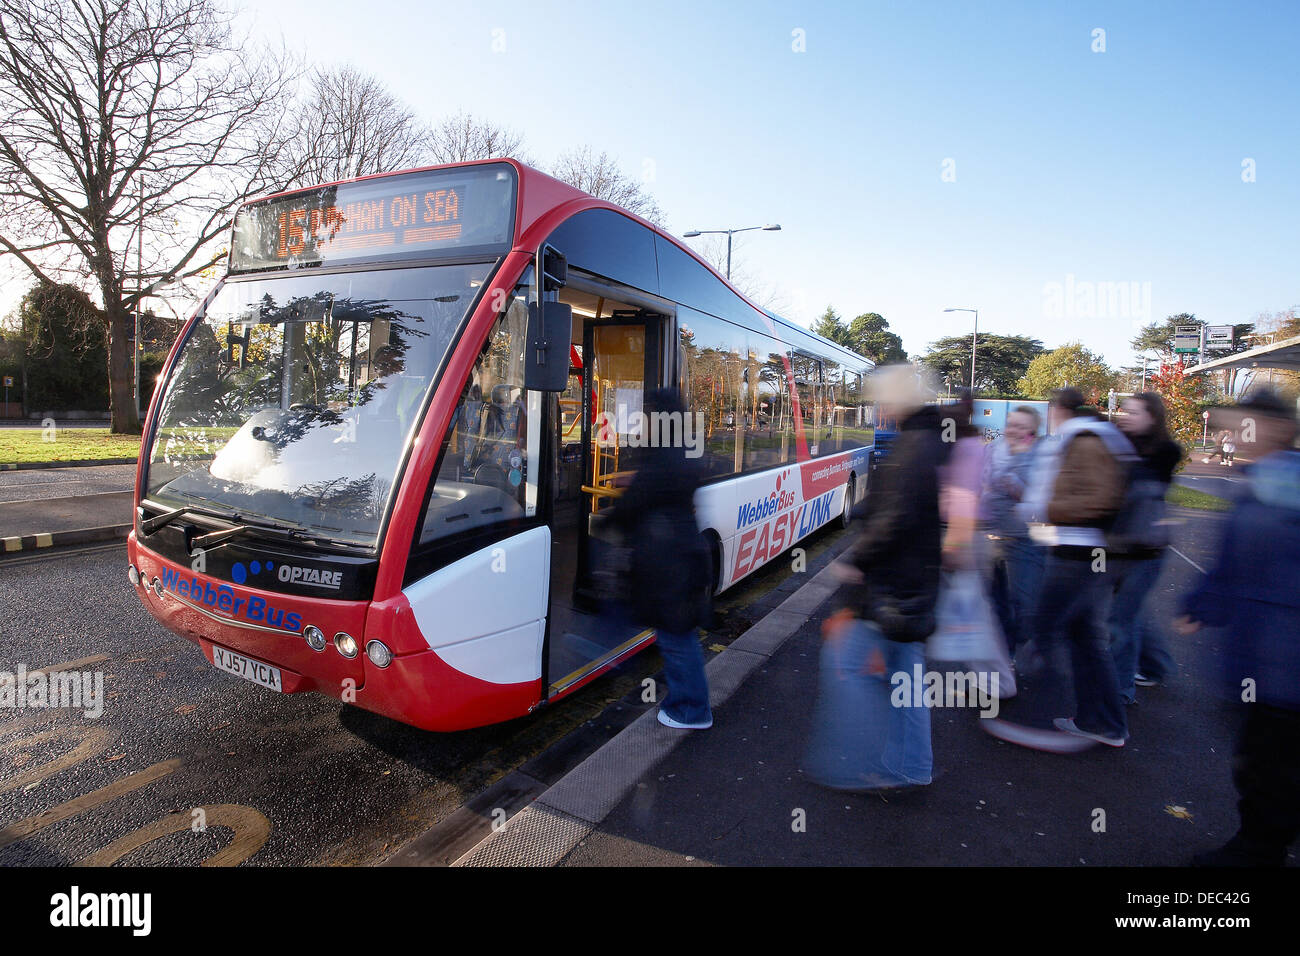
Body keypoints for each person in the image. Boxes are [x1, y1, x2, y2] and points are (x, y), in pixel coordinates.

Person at [805, 364, 949, 789]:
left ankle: (848, 765)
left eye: (884, 398)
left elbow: (895, 518)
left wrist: (857, 561)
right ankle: (911, 765)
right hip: (915, 585)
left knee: (845, 665)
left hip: (891, 586)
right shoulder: (927, 441)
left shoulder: (911, 448)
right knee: (906, 681)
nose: (880, 407)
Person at [1176, 390, 1300, 866]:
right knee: (1268, 759)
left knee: (1267, 763)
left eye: (1246, 424)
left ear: (1277, 428)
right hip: (1266, 653)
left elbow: (1244, 561)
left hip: (1280, 657)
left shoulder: (1279, 484)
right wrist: (1204, 603)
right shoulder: (1262, 480)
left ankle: (1258, 851)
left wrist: (1205, 602)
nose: (1235, 434)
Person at [987, 387, 1136, 749]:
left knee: (1046, 630)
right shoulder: (1085, 437)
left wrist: (1046, 509)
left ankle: (1041, 718)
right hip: (1080, 552)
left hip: (1077, 553)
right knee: (1084, 637)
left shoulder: (1084, 439)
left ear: (1057, 410)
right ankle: (1106, 723)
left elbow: (1098, 500)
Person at [609, 388, 714, 730]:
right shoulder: (682, 447)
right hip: (681, 558)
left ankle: (691, 710)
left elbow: (637, 502)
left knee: (676, 639)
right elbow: (663, 486)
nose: (644, 419)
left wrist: (607, 521)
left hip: (670, 565)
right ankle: (687, 703)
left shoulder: (662, 455)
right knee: (677, 635)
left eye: (649, 413)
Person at [1107, 392, 1182, 703]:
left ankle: (1122, 691)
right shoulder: (1124, 445)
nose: (1126, 416)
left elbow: (1141, 488)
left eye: (1134, 412)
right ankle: (1155, 666)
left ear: (1152, 417)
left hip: (1144, 550)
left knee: (1121, 621)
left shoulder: (1164, 452)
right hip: (1124, 548)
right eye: (1125, 411)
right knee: (1132, 614)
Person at [982, 406, 1045, 656]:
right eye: (1011, 424)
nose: (1014, 430)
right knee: (994, 605)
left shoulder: (1039, 455)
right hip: (990, 537)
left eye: (1021, 426)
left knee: (1024, 606)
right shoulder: (992, 450)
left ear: (1032, 430)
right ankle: (1005, 659)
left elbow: (1041, 498)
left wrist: (1015, 485)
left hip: (1024, 540)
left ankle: (1030, 644)